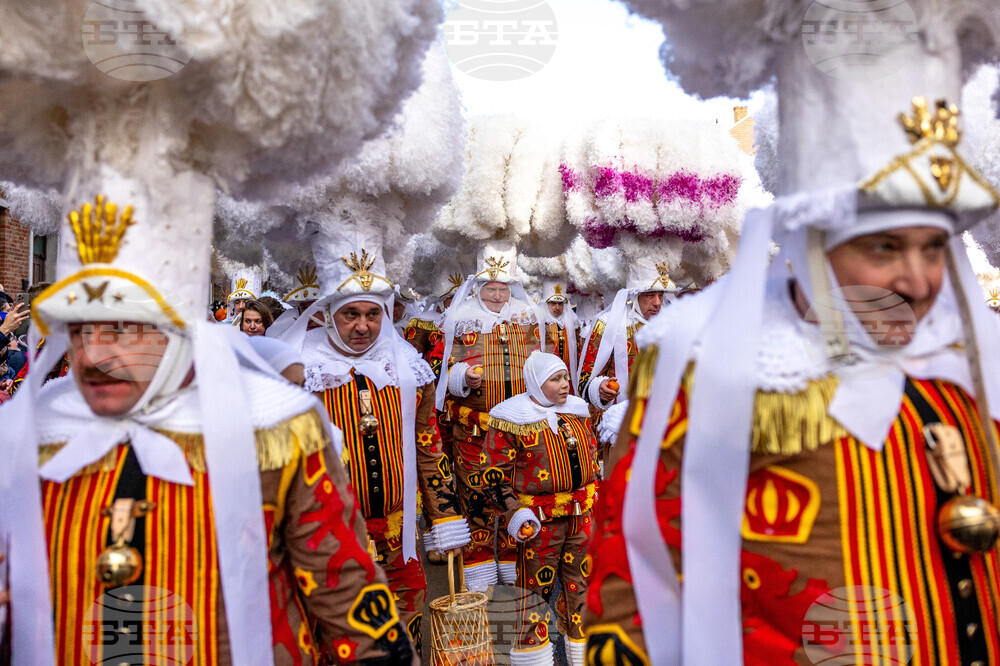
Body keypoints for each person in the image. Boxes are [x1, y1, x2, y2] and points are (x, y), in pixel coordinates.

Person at [584, 4, 1000, 664]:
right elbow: (635, 593)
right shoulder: (713, 372)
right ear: (811, 241)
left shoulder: (968, 372)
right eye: (885, 247)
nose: (920, 282)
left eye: (934, 248)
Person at [282, 222, 472, 655]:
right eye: (351, 314)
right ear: (329, 315)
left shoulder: (407, 368)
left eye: (373, 314)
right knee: (340, 643)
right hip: (329, 539)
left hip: (399, 535)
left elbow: (428, 446)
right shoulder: (302, 371)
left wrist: (444, 514)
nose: (363, 327)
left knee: (406, 636)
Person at [437, 240, 545, 589]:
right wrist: (462, 378)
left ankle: (513, 561)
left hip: (516, 430)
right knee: (479, 497)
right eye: (491, 288)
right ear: (479, 287)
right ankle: (480, 570)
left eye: (503, 289)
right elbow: (442, 367)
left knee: (513, 494)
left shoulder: (526, 319)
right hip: (474, 430)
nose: (497, 296)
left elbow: (543, 364)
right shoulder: (460, 318)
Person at [483, 351, 598, 666]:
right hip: (538, 525)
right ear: (535, 382)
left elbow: (591, 456)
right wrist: (514, 514)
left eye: (565, 377)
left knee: (583, 588)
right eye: (555, 379)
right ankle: (533, 658)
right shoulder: (512, 419)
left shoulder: (576, 412)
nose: (565, 385)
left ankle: (582, 656)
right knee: (534, 595)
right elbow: (492, 477)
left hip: (580, 519)